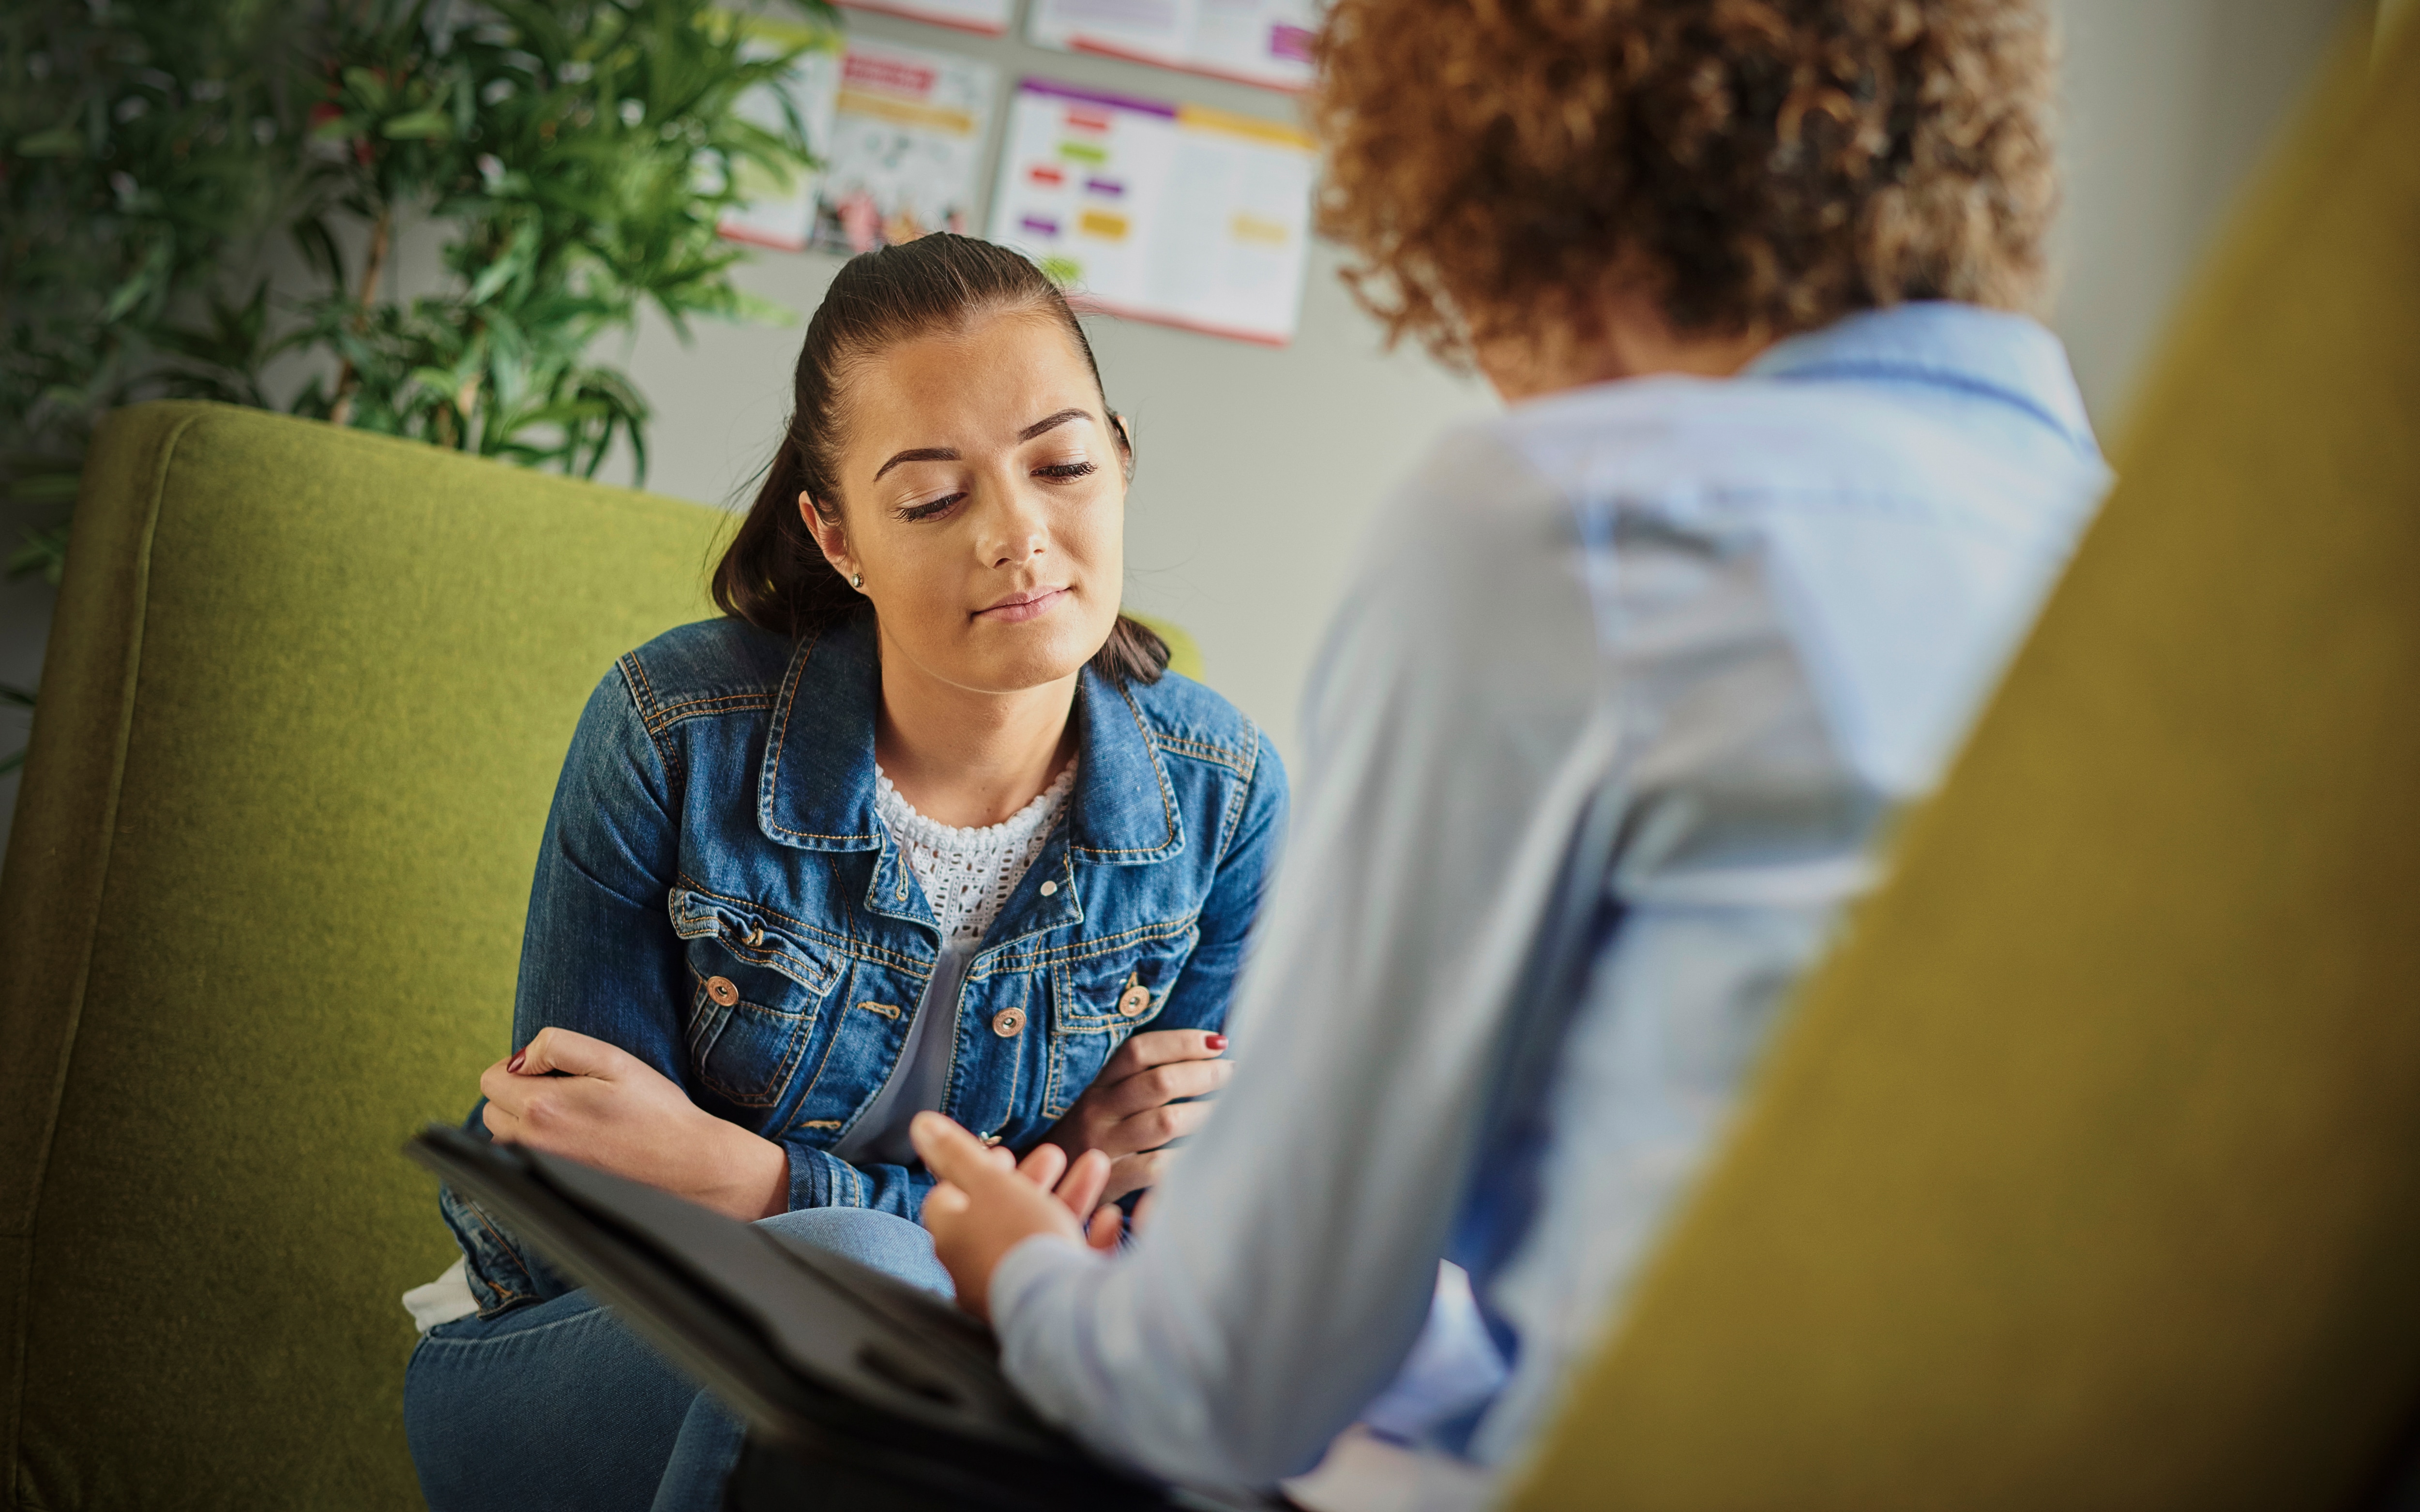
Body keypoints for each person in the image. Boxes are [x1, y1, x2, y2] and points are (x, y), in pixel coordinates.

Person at [903, 0, 2113, 1503]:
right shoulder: (2146, 572)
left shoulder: (1575, 519)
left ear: (1522, 189)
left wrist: (1027, 1279)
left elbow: (1217, 1393)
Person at [399, 234, 1287, 1512]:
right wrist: (980, 1200)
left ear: (1123, 462)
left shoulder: (1227, 801)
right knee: (872, 1283)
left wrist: (745, 1176)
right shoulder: (671, 734)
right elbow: (588, 1204)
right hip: (578, 1364)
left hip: (953, 1412)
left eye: (1064, 464)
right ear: (837, 534)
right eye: (934, 497)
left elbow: (1140, 1266)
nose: (1020, 535)